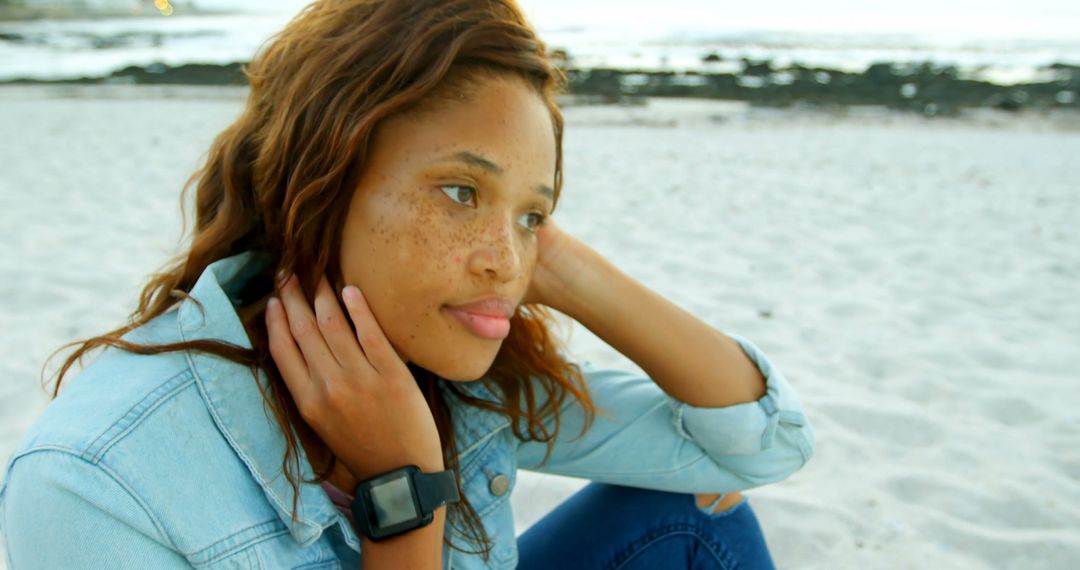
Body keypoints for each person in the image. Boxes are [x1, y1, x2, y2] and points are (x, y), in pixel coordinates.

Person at [0, 0, 816, 568]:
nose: (504, 257)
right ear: (318, 182)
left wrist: (558, 265)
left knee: (688, 513)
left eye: (535, 213)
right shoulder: (93, 481)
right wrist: (400, 495)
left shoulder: (452, 369)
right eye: (460, 191)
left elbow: (756, 446)